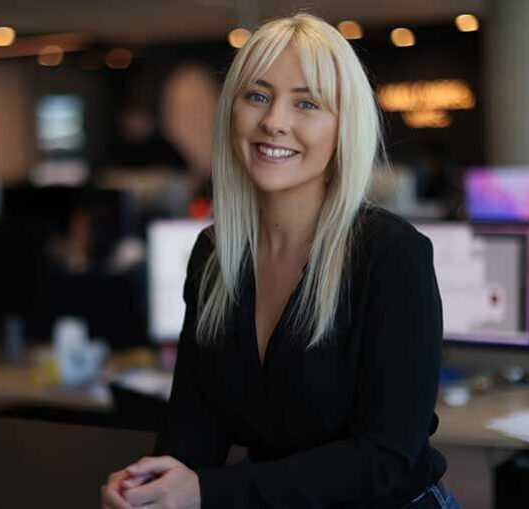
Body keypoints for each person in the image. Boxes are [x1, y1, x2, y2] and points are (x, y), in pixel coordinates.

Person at [102, 13, 458, 509]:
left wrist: (208, 492)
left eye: (307, 103)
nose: (274, 121)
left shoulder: (392, 255)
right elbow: (195, 425)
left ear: (342, 128)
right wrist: (150, 489)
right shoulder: (215, 255)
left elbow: (386, 461)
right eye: (258, 96)